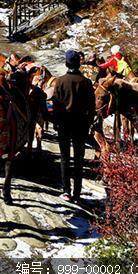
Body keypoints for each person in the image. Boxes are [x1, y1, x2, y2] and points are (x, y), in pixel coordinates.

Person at [53, 49, 95, 202]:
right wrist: (89, 123)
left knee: (65, 157)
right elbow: (92, 107)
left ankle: (66, 191)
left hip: (64, 124)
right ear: (79, 64)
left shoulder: (60, 81)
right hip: (81, 125)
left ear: (66, 63)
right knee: (78, 158)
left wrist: (56, 122)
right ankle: (77, 193)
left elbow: (56, 105)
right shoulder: (86, 82)